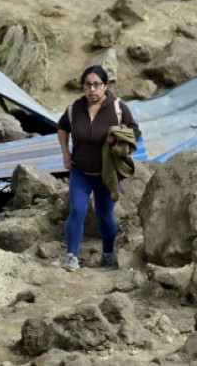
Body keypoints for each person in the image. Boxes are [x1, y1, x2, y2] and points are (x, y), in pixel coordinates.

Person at [57, 65, 140, 272]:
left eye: (97, 85)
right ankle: (71, 256)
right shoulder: (74, 108)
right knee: (77, 210)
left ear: (104, 86)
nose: (92, 89)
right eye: (88, 84)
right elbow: (62, 128)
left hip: (107, 172)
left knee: (104, 216)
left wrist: (118, 138)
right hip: (80, 171)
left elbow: (135, 131)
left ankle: (108, 253)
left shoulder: (118, 107)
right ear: (83, 86)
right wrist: (65, 153)